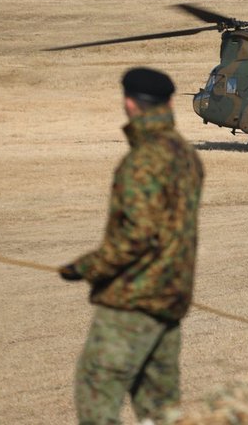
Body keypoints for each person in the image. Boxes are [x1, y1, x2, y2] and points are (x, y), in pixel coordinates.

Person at [58, 67, 204, 425]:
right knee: (161, 409)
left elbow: (136, 235)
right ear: (170, 102)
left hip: (133, 302)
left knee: (97, 391)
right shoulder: (186, 155)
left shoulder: (141, 161)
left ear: (129, 104)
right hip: (170, 301)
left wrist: (87, 267)